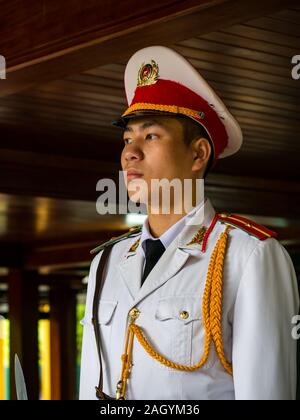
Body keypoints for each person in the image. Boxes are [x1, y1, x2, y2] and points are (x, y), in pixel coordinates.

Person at [79, 46, 299, 400]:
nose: (130, 152)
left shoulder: (249, 256)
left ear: (198, 154)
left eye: (150, 136)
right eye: (127, 138)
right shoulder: (105, 262)